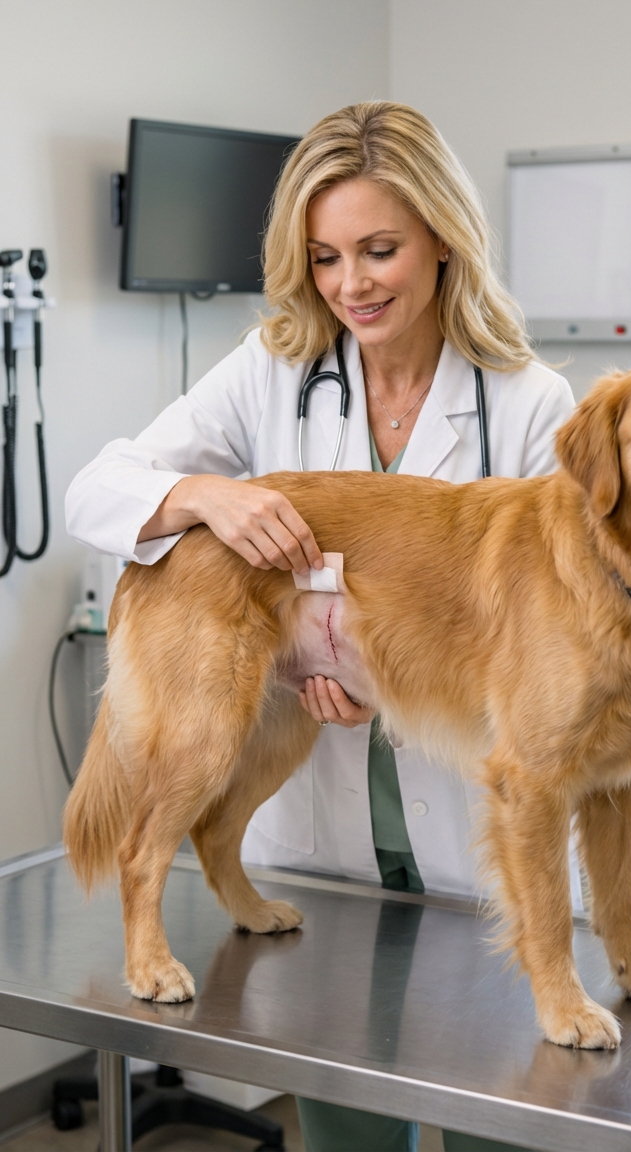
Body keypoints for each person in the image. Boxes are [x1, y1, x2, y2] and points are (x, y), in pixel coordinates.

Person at [66, 101, 577, 1152]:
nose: (352, 284)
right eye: (326, 256)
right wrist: (204, 495)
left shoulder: (531, 403)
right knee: (349, 1140)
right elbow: (96, 488)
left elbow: (559, 637)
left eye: (380, 250)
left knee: (506, 1128)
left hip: (477, 864)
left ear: (443, 238)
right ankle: (200, 881)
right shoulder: (273, 369)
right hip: (328, 862)